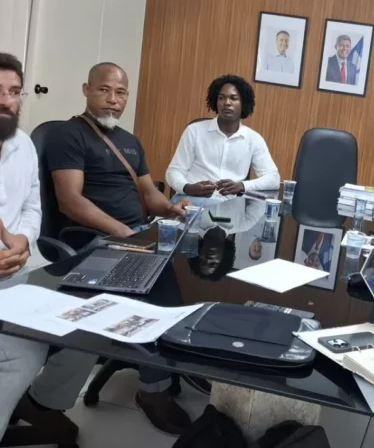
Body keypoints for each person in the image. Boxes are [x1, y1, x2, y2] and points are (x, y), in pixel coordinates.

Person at [46, 62, 194, 435]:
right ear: (86, 90)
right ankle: (154, 390)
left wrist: (171, 209)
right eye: (104, 90)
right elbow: (70, 201)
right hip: (91, 238)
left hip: (134, 235)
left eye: (121, 92)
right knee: (155, 298)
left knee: (190, 282)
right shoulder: (68, 135)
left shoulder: (131, 141)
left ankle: (174, 367)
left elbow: (148, 194)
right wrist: (124, 232)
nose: (113, 100)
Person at [0, 52, 97, 440]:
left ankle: (39, 404)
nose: (6, 100)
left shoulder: (22, 145)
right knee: (20, 355)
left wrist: (23, 239)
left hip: (19, 270)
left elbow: (32, 206)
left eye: (14, 92)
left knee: (89, 324)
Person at [166, 75, 280, 203]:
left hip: (230, 205)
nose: (227, 103)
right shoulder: (194, 131)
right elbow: (174, 171)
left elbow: (273, 179)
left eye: (233, 98)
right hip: (191, 200)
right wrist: (188, 188)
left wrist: (242, 186)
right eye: (221, 98)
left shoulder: (254, 139)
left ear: (243, 103)